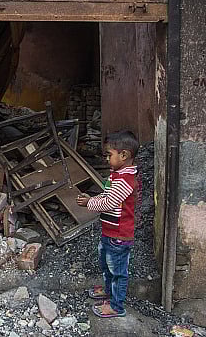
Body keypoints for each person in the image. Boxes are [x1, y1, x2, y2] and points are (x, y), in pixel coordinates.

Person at [76, 130, 139, 318]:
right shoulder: (116, 176)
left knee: (118, 272)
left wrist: (89, 203)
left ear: (124, 155)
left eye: (109, 155)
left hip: (119, 236)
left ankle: (117, 307)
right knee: (107, 266)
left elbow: (109, 202)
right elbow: (106, 196)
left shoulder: (125, 180)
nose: (106, 159)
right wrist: (93, 198)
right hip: (110, 233)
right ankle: (109, 293)